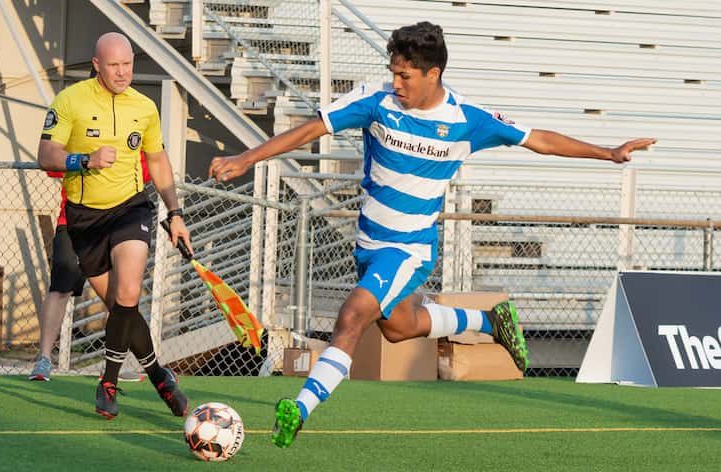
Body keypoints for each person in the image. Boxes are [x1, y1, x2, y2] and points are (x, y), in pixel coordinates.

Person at [209, 21, 656, 448]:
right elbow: (313, 128)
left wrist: (608, 153)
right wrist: (249, 158)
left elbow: (536, 138)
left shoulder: (467, 119)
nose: (396, 83)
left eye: (404, 75)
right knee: (400, 329)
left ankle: (300, 408)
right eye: (393, 73)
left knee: (351, 318)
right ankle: (487, 320)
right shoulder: (375, 100)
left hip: (408, 250)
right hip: (368, 243)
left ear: (433, 73)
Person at [37, 32, 192, 420]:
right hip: (84, 218)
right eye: (114, 65)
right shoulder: (69, 100)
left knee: (128, 290)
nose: (123, 73)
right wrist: (83, 160)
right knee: (120, 307)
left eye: (128, 65)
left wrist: (175, 213)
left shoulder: (145, 106)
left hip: (131, 209)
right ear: (96, 65)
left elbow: (157, 160)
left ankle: (108, 381)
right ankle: (158, 374)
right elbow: (46, 155)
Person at [28, 152, 151, 382]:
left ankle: (117, 366)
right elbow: (51, 164)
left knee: (118, 298)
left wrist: (117, 169)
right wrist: (88, 160)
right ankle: (43, 359)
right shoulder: (80, 128)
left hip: (116, 224)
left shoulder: (131, 136)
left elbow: (148, 170)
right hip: (74, 222)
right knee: (61, 287)